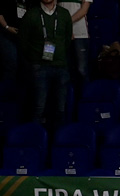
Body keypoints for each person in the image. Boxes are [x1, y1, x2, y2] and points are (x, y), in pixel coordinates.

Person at [18, 0, 73, 130]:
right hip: (39, 66)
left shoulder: (64, 14)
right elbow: (22, 42)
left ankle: (59, 143)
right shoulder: (31, 15)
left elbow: (67, 40)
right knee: (39, 107)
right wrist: (34, 59)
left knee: (60, 108)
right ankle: (35, 142)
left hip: (61, 66)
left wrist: (59, 54)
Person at [57, 0, 89, 87]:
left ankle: (83, 97)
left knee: (81, 69)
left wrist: (67, 22)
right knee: (64, 70)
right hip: (61, 32)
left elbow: (84, 9)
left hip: (79, 32)